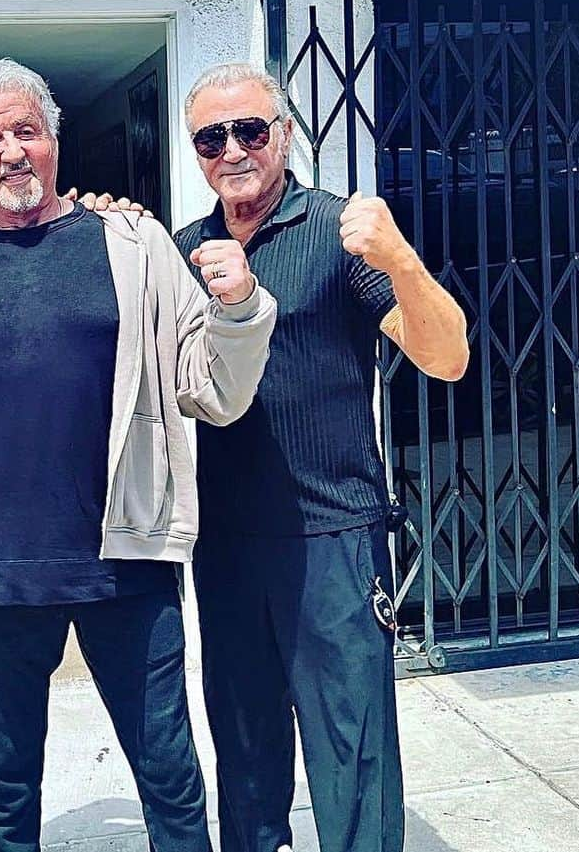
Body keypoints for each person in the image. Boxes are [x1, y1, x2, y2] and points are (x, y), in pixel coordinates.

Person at [0, 57, 277, 852]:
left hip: (126, 563)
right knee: (7, 793)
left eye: (25, 131)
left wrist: (242, 309)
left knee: (171, 778)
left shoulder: (135, 245)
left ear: (53, 139)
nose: (10, 151)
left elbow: (213, 388)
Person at [173, 63, 470, 852]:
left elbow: (448, 358)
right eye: (211, 136)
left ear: (286, 134)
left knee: (354, 754)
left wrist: (401, 258)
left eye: (250, 129)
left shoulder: (341, 232)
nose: (232, 149)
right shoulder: (183, 249)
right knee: (243, 752)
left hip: (333, 537)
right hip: (226, 544)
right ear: (195, 151)